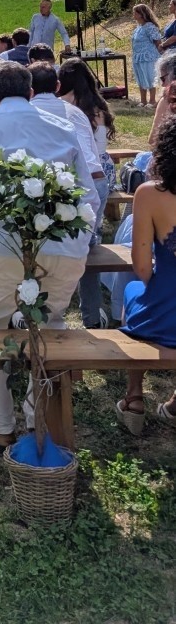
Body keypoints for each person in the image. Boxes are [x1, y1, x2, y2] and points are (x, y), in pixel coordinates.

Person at [0, 61, 98, 449]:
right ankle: (38, 417)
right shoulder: (64, 127)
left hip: (3, 245)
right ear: (30, 92)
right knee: (48, 327)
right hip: (63, 244)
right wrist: (78, 242)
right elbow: (88, 195)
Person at [116, 118, 176, 434]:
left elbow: (141, 267)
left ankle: (134, 396)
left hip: (166, 313)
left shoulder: (150, 194)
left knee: (133, 291)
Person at [57, 57, 117, 327]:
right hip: (103, 172)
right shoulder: (97, 105)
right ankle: (92, 312)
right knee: (89, 242)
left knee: (79, 244)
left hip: (85, 174)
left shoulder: (68, 108)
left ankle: (80, 305)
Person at [131, 4, 162, 107]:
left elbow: (158, 41)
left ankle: (152, 100)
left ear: (141, 14)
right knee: (140, 78)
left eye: (135, 12)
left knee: (149, 77)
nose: (133, 14)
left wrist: (162, 54)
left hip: (148, 57)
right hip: (138, 57)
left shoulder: (150, 26)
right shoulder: (138, 27)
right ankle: (143, 100)